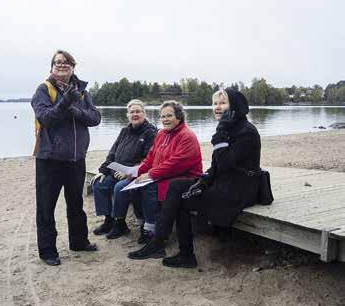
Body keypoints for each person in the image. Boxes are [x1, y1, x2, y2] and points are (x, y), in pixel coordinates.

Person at [128, 89, 261, 268]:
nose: (217, 107)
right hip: (224, 182)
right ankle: (164, 246)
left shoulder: (246, 132)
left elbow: (224, 164)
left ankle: (174, 249)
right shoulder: (230, 127)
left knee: (182, 198)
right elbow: (216, 167)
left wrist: (220, 132)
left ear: (235, 107)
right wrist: (204, 181)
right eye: (215, 103)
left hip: (239, 189)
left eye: (223, 103)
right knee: (177, 187)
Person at [31, 50, 101, 266]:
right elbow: (46, 118)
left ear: (73, 66)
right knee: (46, 206)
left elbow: (95, 118)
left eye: (66, 62)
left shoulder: (82, 91)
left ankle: (79, 242)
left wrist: (74, 110)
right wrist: (65, 104)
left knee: (76, 203)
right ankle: (48, 251)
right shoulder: (43, 90)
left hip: (76, 158)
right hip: (49, 159)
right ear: (52, 66)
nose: (62, 65)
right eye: (58, 62)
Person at [128, 100, 203, 247]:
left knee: (149, 187)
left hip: (183, 177)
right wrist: (137, 171)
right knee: (134, 185)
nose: (165, 119)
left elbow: (176, 164)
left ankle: (152, 229)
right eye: (162, 117)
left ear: (179, 116)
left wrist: (150, 175)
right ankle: (143, 224)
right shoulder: (161, 134)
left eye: (169, 116)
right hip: (164, 174)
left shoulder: (187, 136)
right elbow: (150, 157)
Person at [90, 99, 157, 239]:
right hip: (116, 171)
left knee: (120, 188)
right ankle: (109, 220)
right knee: (99, 183)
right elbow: (113, 153)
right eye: (132, 112)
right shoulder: (124, 131)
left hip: (135, 174)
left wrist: (130, 172)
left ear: (144, 114)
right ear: (128, 115)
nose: (135, 114)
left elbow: (148, 158)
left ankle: (120, 223)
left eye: (138, 111)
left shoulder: (150, 133)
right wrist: (103, 170)